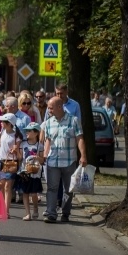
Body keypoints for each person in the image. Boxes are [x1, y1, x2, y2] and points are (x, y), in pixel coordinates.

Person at [41, 96, 86, 224]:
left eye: (51, 108)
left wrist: (83, 156)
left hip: (69, 160)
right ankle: (51, 213)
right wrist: (44, 155)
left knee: (68, 189)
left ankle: (65, 212)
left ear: (59, 107)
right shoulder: (49, 122)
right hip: (53, 161)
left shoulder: (74, 121)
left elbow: (80, 139)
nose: (48, 110)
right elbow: (48, 140)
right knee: (51, 188)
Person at [18, 123, 44, 220]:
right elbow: (20, 157)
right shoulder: (23, 144)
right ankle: (28, 213)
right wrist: (16, 151)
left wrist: (38, 158)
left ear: (36, 133)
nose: (27, 132)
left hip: (35, 172)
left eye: (29, 131)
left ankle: (35, 208)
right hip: (25, 171)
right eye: (26, 130)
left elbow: (42, 160)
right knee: (25, 193)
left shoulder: (39, 146)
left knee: (33, 193)